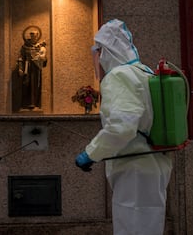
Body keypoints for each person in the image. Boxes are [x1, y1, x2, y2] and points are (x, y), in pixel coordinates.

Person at [75, 19, 173, 235]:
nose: (96, 57)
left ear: (107, 51)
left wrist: (91, 153)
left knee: (132, 227)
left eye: (97, 51)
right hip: (155, 165)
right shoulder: (143, 72)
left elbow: (122, 126)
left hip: (134, 170)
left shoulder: (118, 76)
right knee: (150, 226)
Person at [17, 26, 47, 110]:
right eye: (32, 36)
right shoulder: (25, 47)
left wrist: (43, 59)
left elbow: (44, 59)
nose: (34, 37)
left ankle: (35, 104)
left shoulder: (40, 47)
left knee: (36, 86)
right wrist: (20, 68)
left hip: (36, 69)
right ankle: (25, 105)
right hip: (27, 68)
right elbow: (20, 58)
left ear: (37, 36)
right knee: (26, 85)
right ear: (30, 36)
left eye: (35, 36)